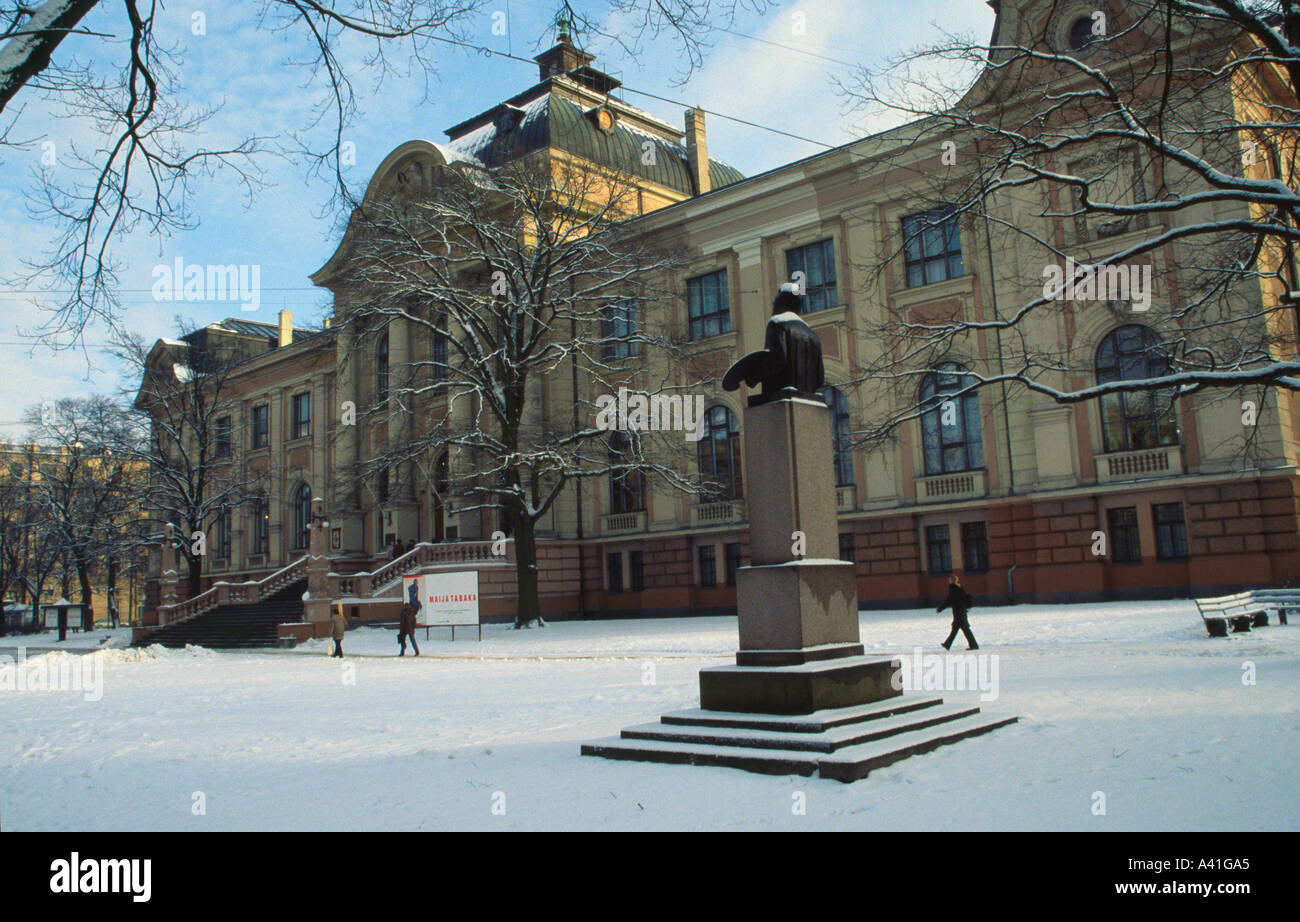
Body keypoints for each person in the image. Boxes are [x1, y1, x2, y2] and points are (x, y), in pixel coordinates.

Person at [937, 574, 978, 650]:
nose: (948, 581)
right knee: (958, 629)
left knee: (964, 629)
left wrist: (940, 608)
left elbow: (949, 600)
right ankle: (947, 644)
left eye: (949, 580)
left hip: (959, 613)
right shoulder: (959, 588)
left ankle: (974, 645)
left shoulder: (954, 589)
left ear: (951, 581)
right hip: (961, 612)